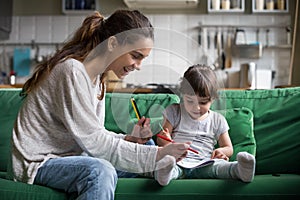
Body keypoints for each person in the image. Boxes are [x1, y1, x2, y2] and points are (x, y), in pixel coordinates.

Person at [10, 10, 190, 200]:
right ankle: (162, 166)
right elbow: (94, 141)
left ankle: (171, 169)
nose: (138, 66)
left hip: (75, 158)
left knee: (149, 147)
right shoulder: (72, 71)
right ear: (112, 43)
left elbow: (93, 134)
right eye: (135, 56)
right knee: (100, 171)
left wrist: (129, 139)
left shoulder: (98, 79)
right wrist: (157, 154)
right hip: (38, 163)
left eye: (142, 59)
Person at [155, 64, 256, 186]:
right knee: (167, 164)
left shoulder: (217, 120)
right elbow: (161, 139)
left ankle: (240, 170)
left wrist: (221, 151)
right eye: (190, 101)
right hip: (177, 161)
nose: (196, 107)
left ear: (213, 99)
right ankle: (165, 174)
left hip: (205, 163)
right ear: (182, 95)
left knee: (219, 167)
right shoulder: (174, 112)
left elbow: (228, 148)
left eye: (203, 102)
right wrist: (167, 142)